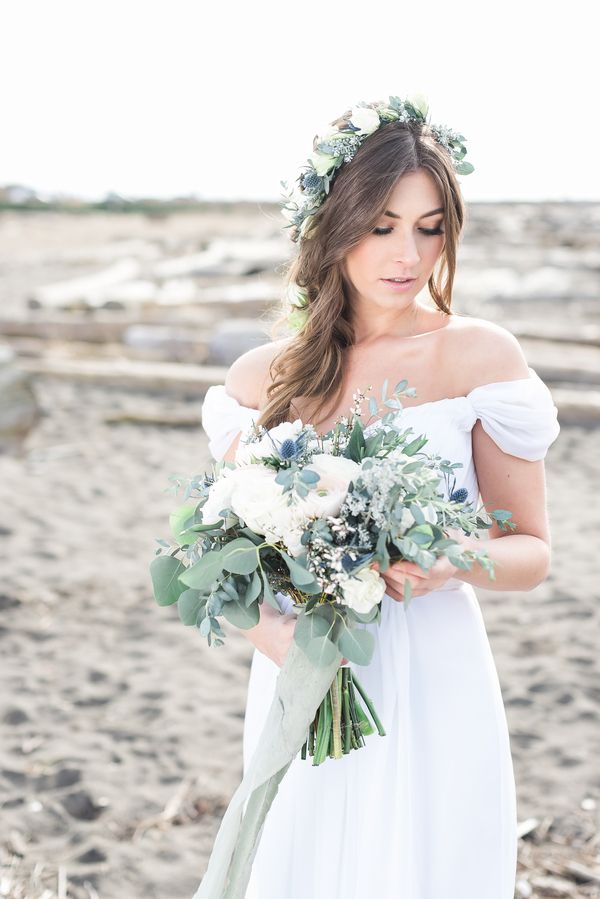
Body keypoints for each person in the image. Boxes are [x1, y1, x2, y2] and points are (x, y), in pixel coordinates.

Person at [200, 95, 560, 898]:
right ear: (333, 224)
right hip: (306, 677)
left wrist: (449, 558)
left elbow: (532, 549)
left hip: (435, 670)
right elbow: (222, 558)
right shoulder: (263, 379)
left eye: (430, 227)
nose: (409, 253)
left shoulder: (478, 357)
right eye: (382, 225)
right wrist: (281, 641)